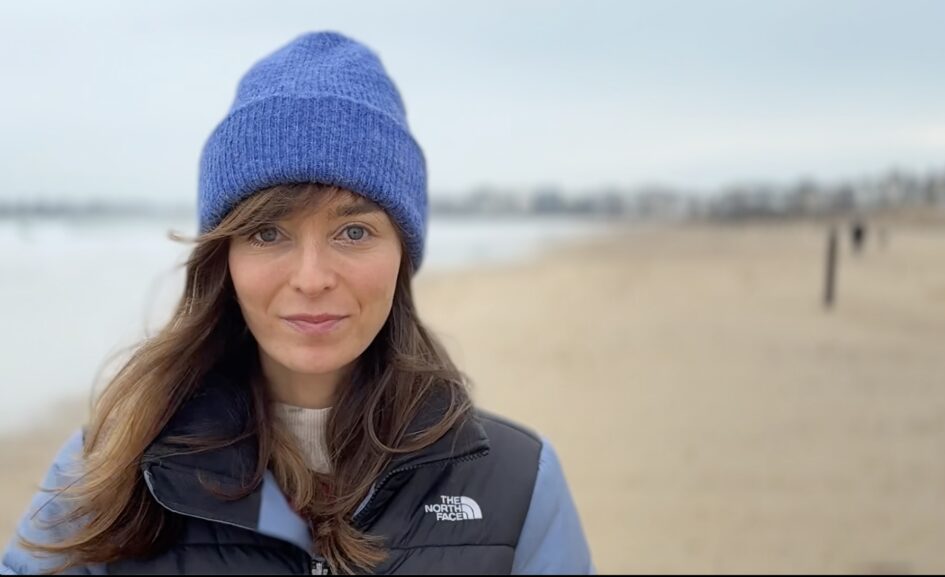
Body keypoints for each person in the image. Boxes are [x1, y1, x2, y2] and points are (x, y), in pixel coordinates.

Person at [1, 30, 594, 575]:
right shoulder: (107, 470)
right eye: (268, 232)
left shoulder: (517, 484)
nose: (312, 279)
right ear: (224, 259)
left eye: (353, 232)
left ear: (402, 253)